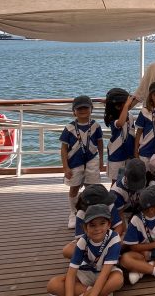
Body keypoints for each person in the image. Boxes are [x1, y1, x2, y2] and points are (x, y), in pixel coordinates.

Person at [47, 204, 123, 296]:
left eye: (102, 223)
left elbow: (104, 274)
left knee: (117, 280)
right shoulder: (82, 241)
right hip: (87, 271)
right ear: (85, 228)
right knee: (53, 285)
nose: (97, 228)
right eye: (92, 225)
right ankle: (98, 293)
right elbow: (71, 273)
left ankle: (88, 293)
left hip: (106, 273)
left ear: (109, 225)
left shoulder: (114, 239)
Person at [60, 95, 104, 230]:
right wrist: (65, 167)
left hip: (92, 160)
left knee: (91, 187)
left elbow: (100, 144)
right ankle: (73, 213)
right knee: (74, 188)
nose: (83, 110)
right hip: (74, 163)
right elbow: (64, 149)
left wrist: (101, 160)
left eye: (86, 108)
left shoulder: (96, 126)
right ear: (74, 111)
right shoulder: (69, 128)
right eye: (79, 109)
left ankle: (91, 211)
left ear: (91, 109)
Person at [62, 184, 124, 259]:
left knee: (124, 241)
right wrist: (94, 249)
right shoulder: (81, 213)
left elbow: (119, 226)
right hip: (90, 242)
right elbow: (80, 238)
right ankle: (103, 258)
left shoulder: (110, 206)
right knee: (67, 250)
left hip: (110, 239)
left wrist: (107, 243)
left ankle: (96, 259)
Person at [103, 88, 135, 184]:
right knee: (116, 181)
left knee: (128, 180)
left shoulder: (130, 115)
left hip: (129, 152)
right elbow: (120, 123)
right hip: (116, 153)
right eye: (122, 105)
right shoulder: (112, 118)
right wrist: (126, 106)